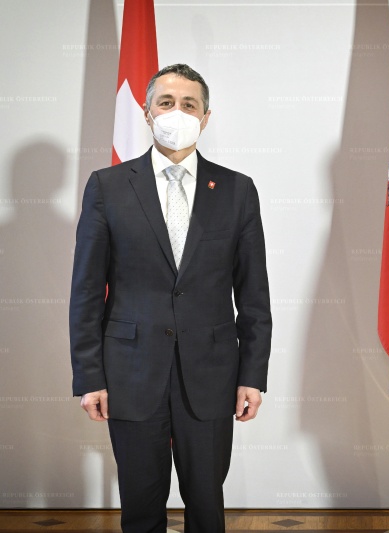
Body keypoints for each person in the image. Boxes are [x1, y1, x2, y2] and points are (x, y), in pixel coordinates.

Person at [70, 64, 272, 533]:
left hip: (212, 375)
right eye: (166, 102)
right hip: (130, 373)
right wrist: (89, 376)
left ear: (205, 117)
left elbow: (254, 294)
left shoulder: (238, 190)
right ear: (146, 112)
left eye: (189, 104)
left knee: (207, 504)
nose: (176, 112)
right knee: (140, 507)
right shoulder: (108, 186)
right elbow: (85, 291)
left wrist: (253, 376)